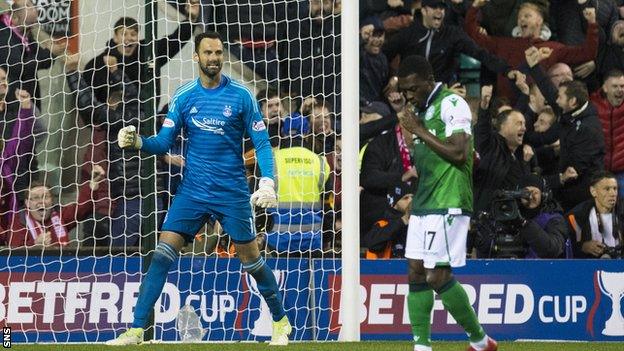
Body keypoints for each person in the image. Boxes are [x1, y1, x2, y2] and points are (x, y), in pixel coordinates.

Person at [106, 31, 291, 346]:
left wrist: (268, 181)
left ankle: (280, 321)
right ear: (196, 57)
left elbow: (261, 143)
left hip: (231, 192)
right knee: (162, 254)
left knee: (251, 259)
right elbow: (164, 143)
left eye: (218, 52)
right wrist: (138, 142)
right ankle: (136, 329)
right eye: (208, 52)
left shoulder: (242, 96)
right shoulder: (184, 96)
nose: (214, 58)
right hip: (192, 190)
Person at [396, 55, 497, 351]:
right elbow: (428, 162)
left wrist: (419, 131)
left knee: (437, 275)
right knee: (415, 269)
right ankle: (422, 346)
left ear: (429, 81)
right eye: (403, 91)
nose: (408, 96)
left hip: (450, 200)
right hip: (426, 200)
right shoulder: (420, 110)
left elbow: (458, 154)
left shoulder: (452, 104)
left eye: (412, 89)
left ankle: (479, 341)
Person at [3, 165, 106, 247]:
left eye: (45, 197)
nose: (41, 201)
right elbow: (14, 254)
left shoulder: (59, 214)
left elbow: (81, 208)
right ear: (27, 203)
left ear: (52, 200)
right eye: (35, 198)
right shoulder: (19, 221)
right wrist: (34, 246)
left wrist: (94, 183)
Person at [567, 171, 623, 259]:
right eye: (607, 189)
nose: (613, 194)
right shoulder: (576, 217)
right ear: (593, 191)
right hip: (588, 267)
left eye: (615, 189)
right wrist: (583, 247)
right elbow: (566, 248)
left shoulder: (621, 213)